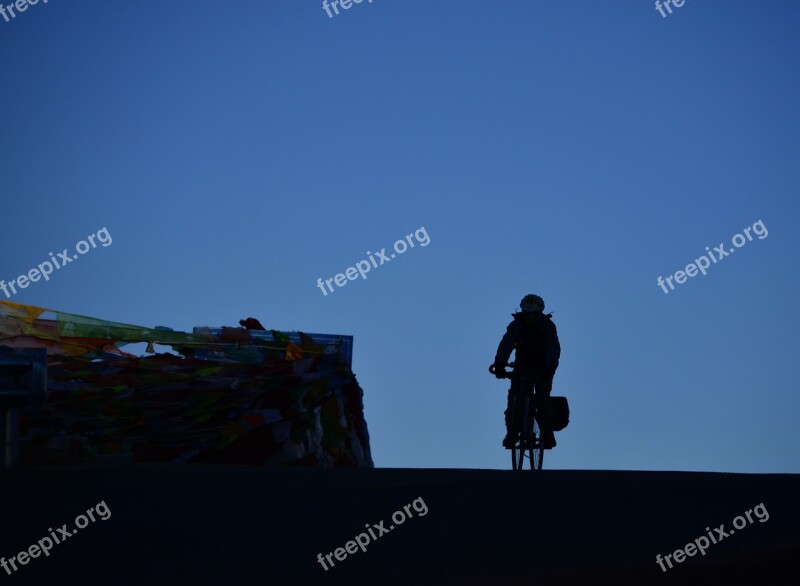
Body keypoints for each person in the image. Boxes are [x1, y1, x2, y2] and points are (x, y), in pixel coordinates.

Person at [490, 294, 561, 449]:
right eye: (526, 313)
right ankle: (512, 433)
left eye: (534, 314)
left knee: (542, 399)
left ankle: (548, 435)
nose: (530, 317)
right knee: (514, 397)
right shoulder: (516, 325)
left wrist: (549, 367)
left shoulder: (547, 326)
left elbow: (552, 348)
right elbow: (506, 344)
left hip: (544, 367)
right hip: (521, 366)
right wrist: (500, 364)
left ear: (540, 313)